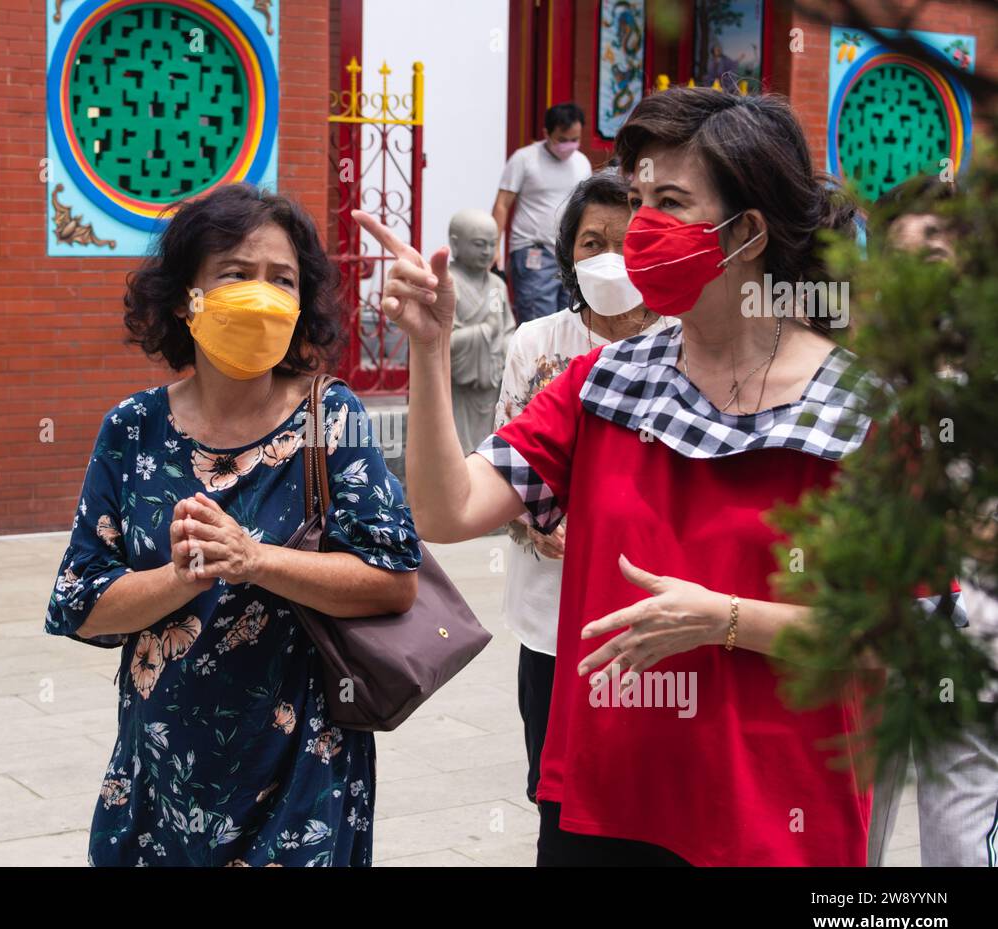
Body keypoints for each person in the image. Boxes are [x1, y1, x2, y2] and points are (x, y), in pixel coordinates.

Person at [355, 86, 890, 866]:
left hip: (776, 816)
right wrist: (430, 354)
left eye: (670, 201)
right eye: (638, 199)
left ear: (747, 231)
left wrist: (729, 619)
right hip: (608, 808)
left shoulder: (858, 412)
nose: (640, 230)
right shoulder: (603, 382)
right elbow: (446, 510)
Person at [45, 183, 421, 867]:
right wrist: (180, 576)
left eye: (283, 280)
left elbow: (392, 582)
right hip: (159, 778)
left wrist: (253, 560)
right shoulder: (133, 429)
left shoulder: (327, 420)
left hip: (303, 774)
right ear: (187, 295)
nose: (262, 294)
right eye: (236, 274)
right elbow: (81, 605)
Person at [496, 169, 670, 805]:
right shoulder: (537, 343)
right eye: (592, 242)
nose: (610, 256)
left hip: (650, 612)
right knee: (555, 789)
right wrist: (536, 527)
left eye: (626, 240)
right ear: (568, 252)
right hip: (550, 612)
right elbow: (497, 466)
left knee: (644, 787)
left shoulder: (683, 343)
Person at [864, 176, 998, 868]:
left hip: (971, 641)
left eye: (936, 263)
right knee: (853, 839)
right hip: (867, 639)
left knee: (958, 846)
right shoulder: (851, 380)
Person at [493, 103, 593, 326]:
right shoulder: (524, 159)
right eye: (563, 139)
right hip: (533, 252)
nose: (569, 145)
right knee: (538, 322)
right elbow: (502, 203)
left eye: (574, 139)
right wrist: (495, 248)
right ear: (546, 133)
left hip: (568, 254)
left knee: (570, 321)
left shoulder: (582, 163)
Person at [447, 208, 514, 454]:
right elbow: (444, 341)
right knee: (456, 441)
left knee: (490, 440)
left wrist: (504, 345)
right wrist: (484, 333)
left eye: (491, 244)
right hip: (459, 386)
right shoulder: (448, 284)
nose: (487, 251)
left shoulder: (496, 285)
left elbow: (505, 328)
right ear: (455, 244)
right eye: (478, 244)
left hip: (491, 380)